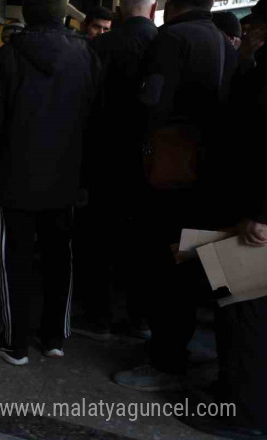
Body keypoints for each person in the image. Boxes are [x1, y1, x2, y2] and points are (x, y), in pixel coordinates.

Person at [112, 0, 239, 392]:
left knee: (163, 267)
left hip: (169, 176)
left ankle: (166, 360)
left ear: (171, 5)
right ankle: (184, 351)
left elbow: (150, 105)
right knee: (190, 264)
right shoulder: (223, 42)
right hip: (212, 176)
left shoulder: (173, 39)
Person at [0, 0, 101, 365]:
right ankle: (54, 336)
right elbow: (96, 123)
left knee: (15, 260)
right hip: (65, 181)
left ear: (28, 14)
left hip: (14, 181)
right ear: (63, 16)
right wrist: (85, 178)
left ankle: (15, 342)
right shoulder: (86, 56)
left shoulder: (10, 56)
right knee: (61, 259)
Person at [181, 6, 267, 438]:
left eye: (257, 23)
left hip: (249, 214)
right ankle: (232, 390)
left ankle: (246, 413)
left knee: (246, 316)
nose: (249, 28)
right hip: (237, 208)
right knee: (234, 311)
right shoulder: (257, 65)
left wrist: (262, 213)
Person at [73, 0, 159, 341]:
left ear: (122, 8)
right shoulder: (163, 42)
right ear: (152, 8)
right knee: (140, 245)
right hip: (151, 165)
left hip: (103, 162)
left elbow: (85, 108)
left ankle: (99, 316)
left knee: (99, 242)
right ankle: (139, 317)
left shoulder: (103, 47)